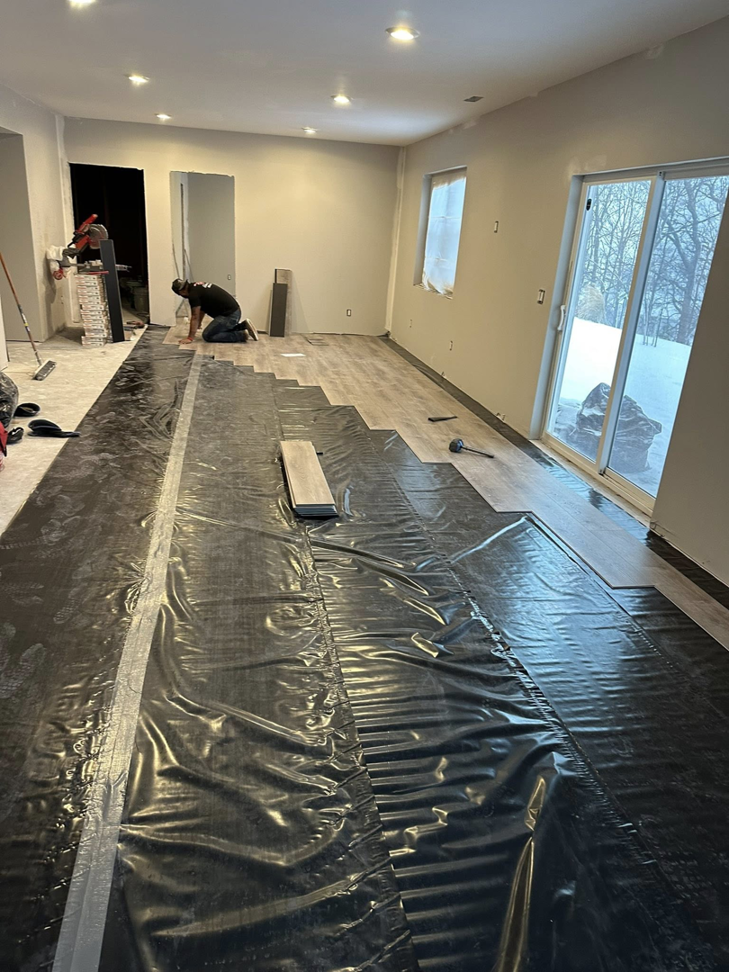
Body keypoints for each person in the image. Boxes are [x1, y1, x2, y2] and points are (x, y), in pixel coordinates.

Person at [171, 279, 258, 344]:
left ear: (181, 292)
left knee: (208, 335)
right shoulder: (196, 286)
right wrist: (199, 323)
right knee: (217, 329)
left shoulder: (193, 295)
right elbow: (202, 309)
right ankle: (243, 326)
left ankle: (242, 334)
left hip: (229, 316)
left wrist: (190, 338)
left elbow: (195, 316)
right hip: (234, 311)